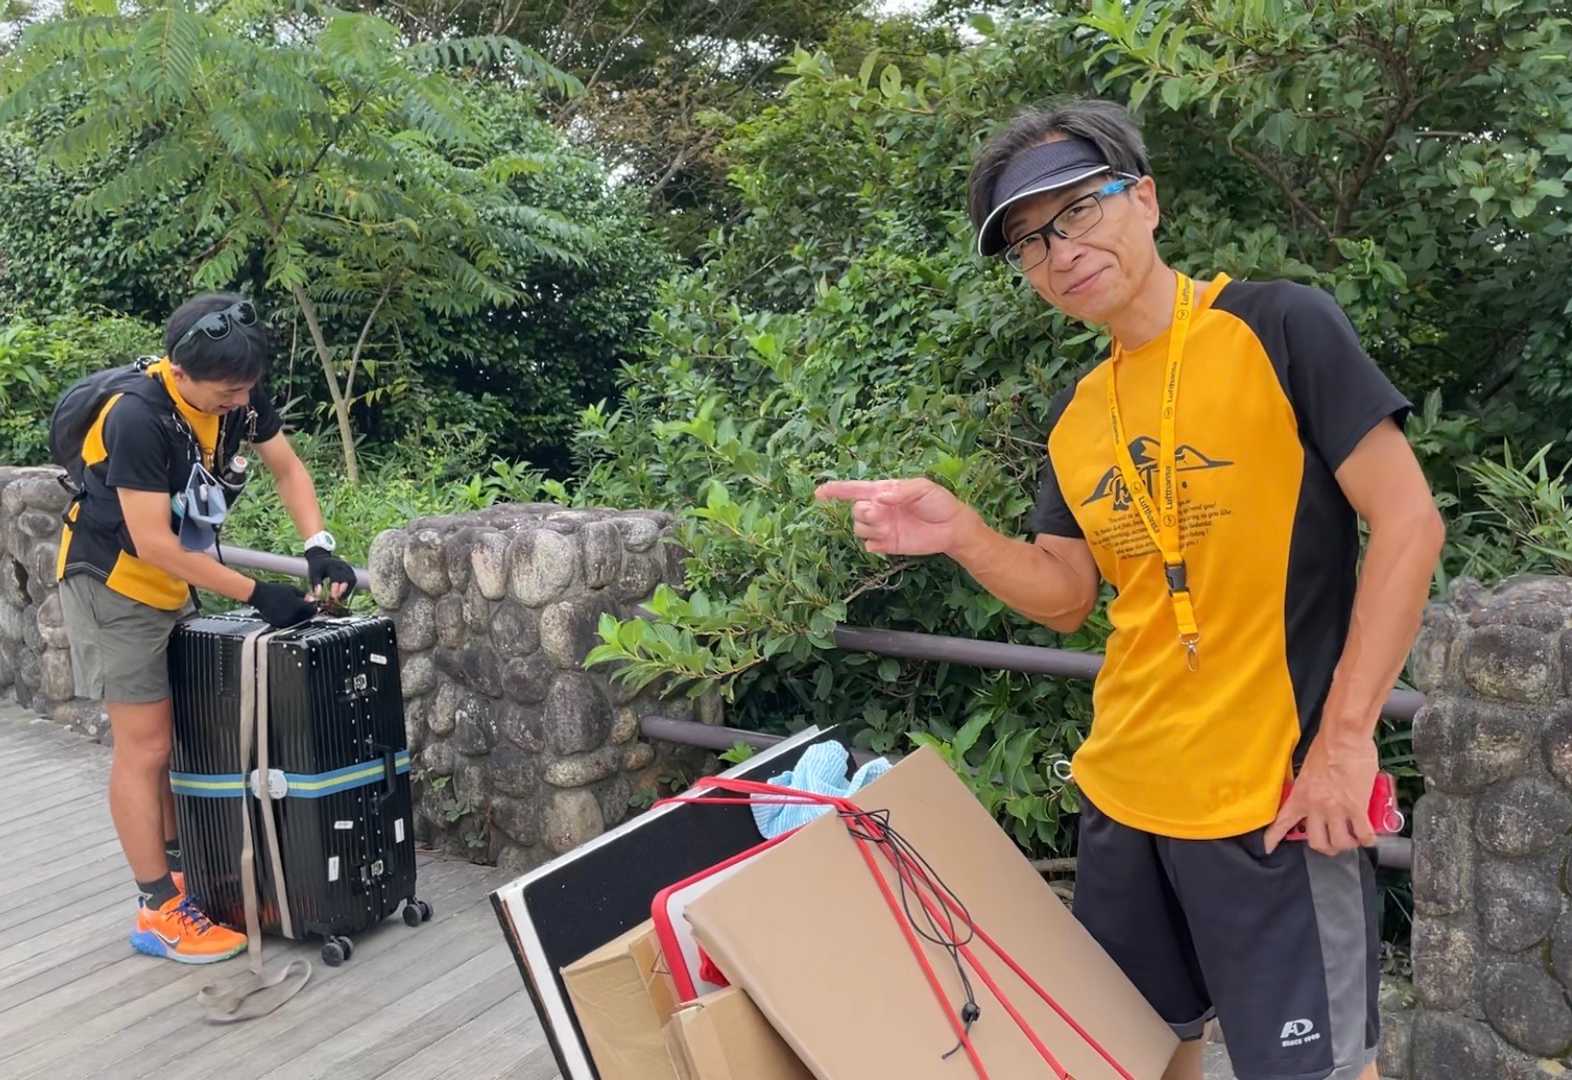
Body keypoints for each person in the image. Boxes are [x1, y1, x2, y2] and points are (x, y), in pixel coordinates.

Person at [817, 99, 1443, 1080]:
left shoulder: (1279, 327)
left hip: (1275, 797)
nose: (1059, 250)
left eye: (1077, 210)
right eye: (1030, 241)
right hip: (1125, 795)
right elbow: (1068, 594)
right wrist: (965, 536)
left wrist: (1345, 742)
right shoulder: (1079, 414)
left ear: (1144, 199)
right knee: (1134, 1059)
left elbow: (1410, 524)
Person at [55, 292, 360, 964]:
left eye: (247, 389)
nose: (240, 402)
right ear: (180, 372)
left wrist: (318, 546)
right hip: (113, 582)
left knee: (175, 740)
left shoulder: (237, 391)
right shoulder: (138, 418)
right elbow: (152, 542)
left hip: (175, 580)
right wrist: (259, 593)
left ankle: (182, 876)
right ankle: (157, 909)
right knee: (144, 747)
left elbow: (286, 466)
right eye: (227, 393)